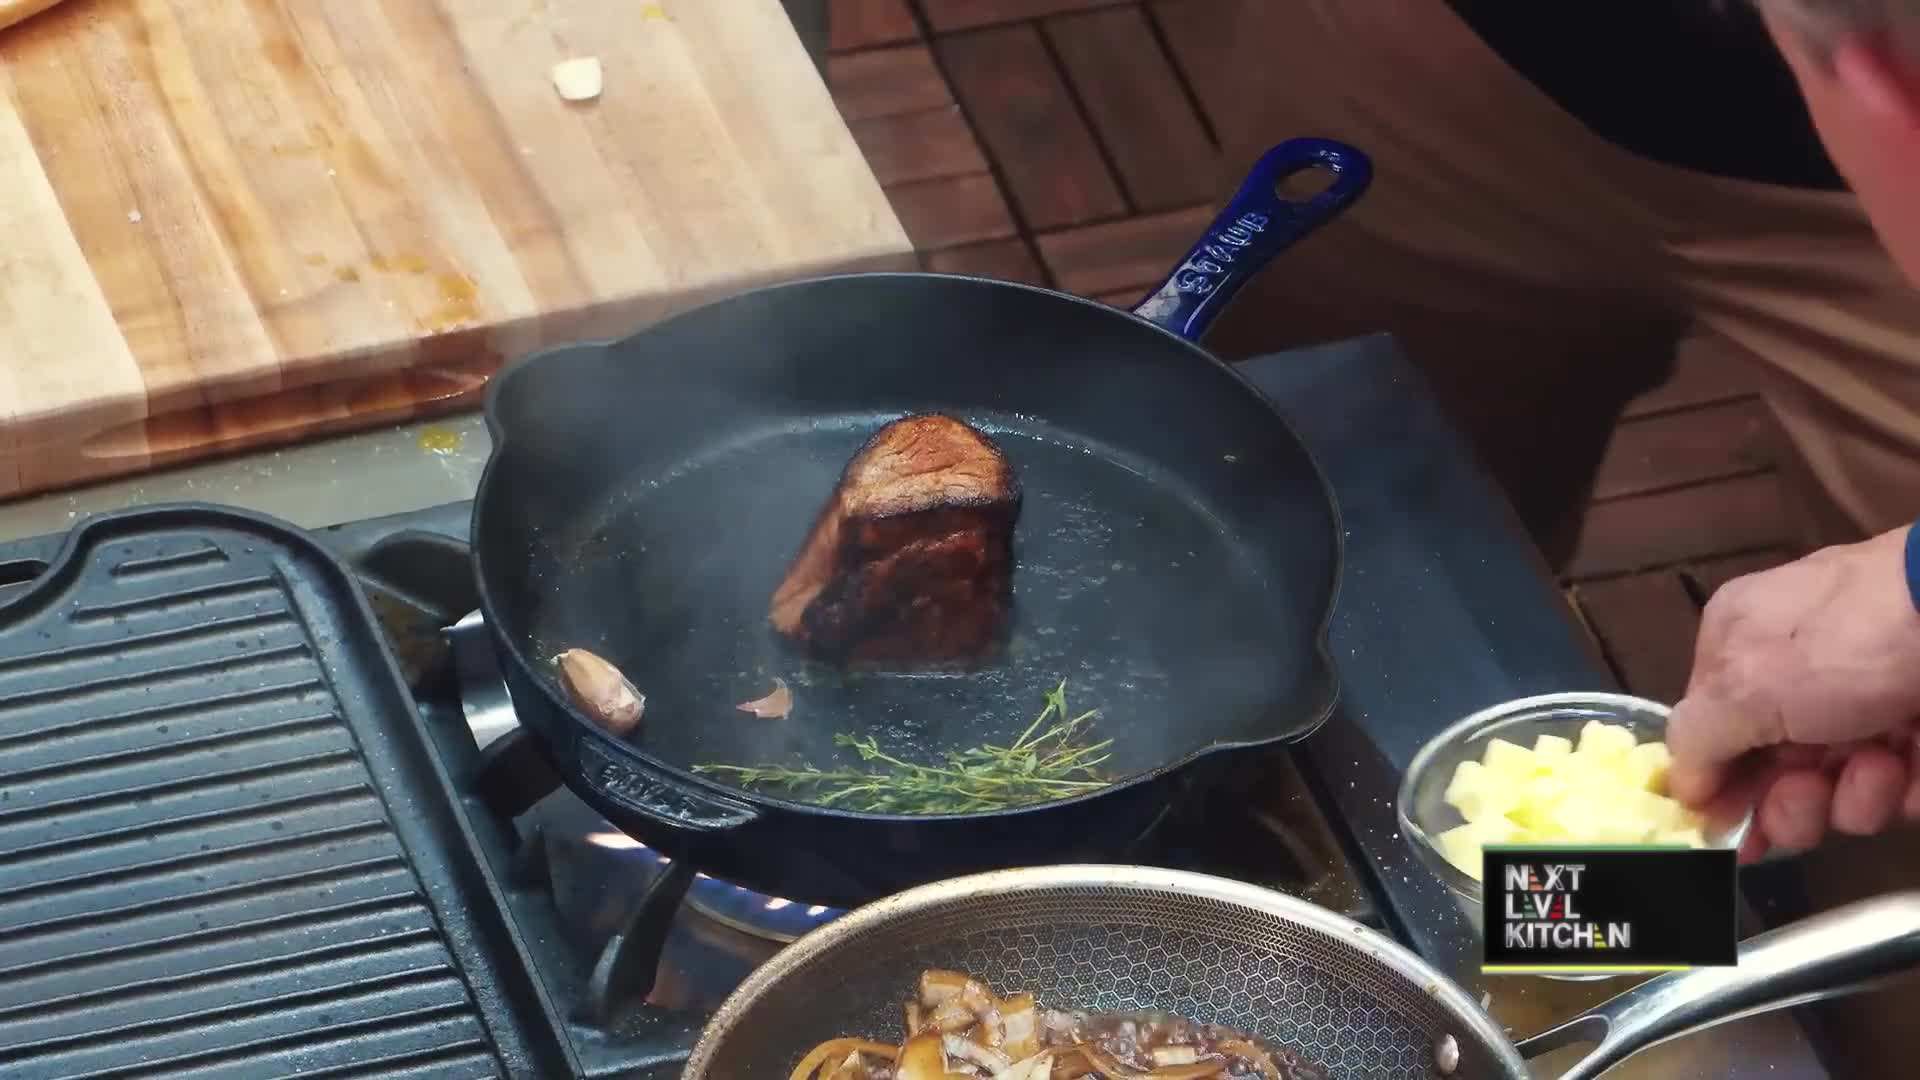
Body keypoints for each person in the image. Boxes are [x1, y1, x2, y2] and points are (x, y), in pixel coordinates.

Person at [1207, 1, 1920, 860]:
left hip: (1844, 167)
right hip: (1464, 59)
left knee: (1872, 834)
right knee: (1336, 551)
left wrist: (1914, 587)